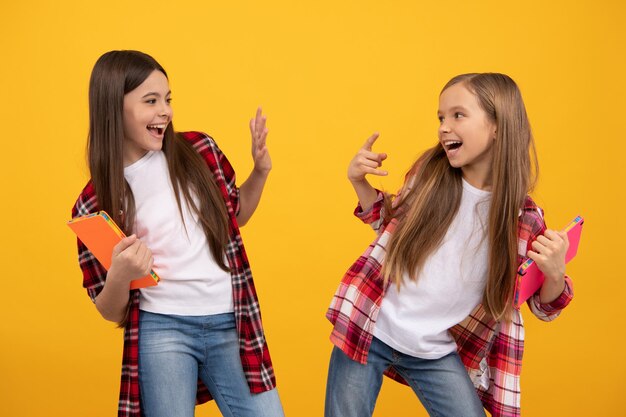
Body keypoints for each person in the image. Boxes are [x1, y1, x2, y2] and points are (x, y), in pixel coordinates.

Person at [325, 73, 573, 417]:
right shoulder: (430, 174)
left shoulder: (523, 218)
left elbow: (545, 307)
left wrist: (555, 273)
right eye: (441, 117)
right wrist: (358, 182)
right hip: (372, 326)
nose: (444, 126)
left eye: (458, 115)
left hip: (435, 350)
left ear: (498, 124)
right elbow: (390, 227)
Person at [71, 50, 284, 417]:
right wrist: (121, 273)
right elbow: (109, 309)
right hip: (162, 330)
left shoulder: (201, 151)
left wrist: (260, 171)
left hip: (230, 322)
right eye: (150, 101)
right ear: (113, 109)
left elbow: (238, 214)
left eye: (167, 99)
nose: (165, 111)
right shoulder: (95, 204)